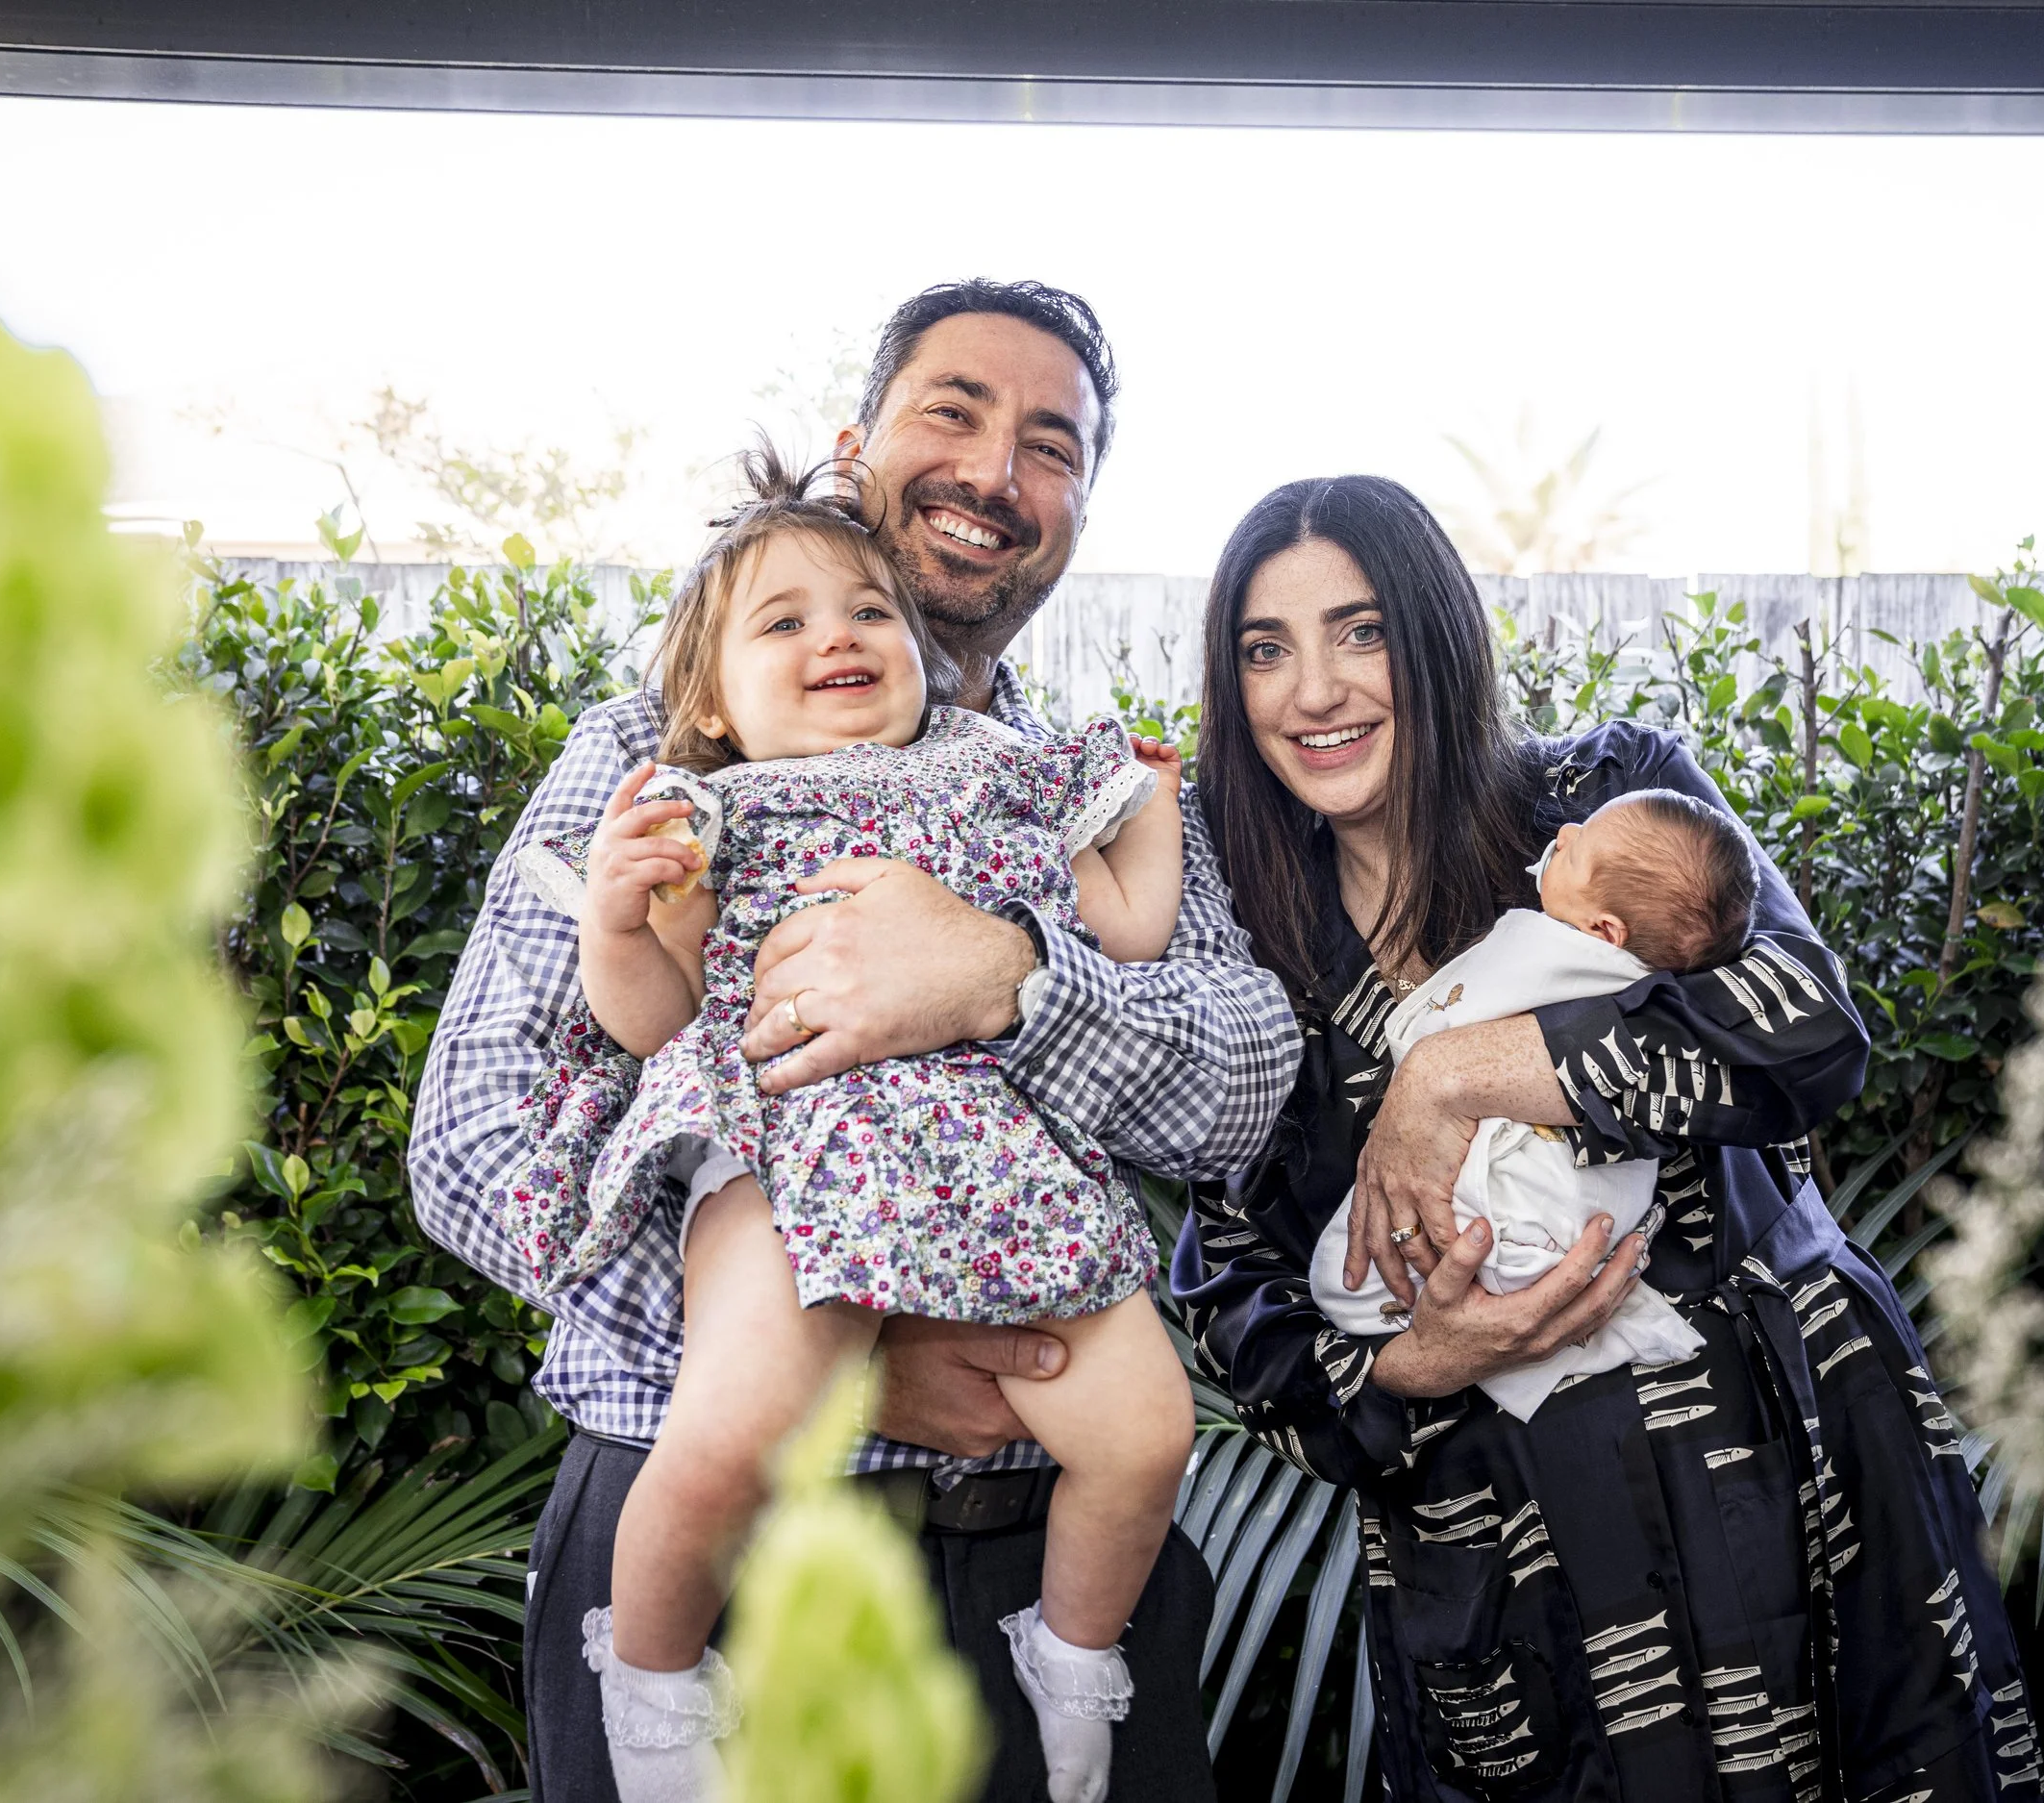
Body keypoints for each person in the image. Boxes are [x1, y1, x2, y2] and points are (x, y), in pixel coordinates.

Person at [411, 282, 1299, 1803]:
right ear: (857, 445)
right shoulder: (659, 763)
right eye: (952, 410)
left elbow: (1243, 1073)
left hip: (1042, 1547)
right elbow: (475, 1146)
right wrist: (839, 1337)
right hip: (720, 1541)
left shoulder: (1066, 779)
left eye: (1050, 443)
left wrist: (1004, 979)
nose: (994, 470)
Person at [1175, 475, 2044, 1801]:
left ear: (1434, 635)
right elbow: (1228, 1282)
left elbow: (1804, 1024)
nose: (1314, 690)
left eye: (1360, 630)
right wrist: (1409, 1362)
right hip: (1513, 1562)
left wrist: (1455, 1073)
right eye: (1264, 646)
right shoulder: (1244, 934)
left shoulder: (1606, 795)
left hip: (1794, 1469)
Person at [499, 446, 1195, 1803]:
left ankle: (1070, 1649)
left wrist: (1154, 809)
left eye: (869, 612)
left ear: (924, 655)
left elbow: (1133, 927)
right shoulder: (703, 805)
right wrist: (613, 913)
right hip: (786, 1152)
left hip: (993, 1159)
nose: (839, 636)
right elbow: (655, 1018)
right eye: (786, 621)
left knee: (1146, 1428)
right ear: (708, 698)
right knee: (732, 1424)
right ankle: (650, 1684)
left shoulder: (1002, 774)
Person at [1307, 790, 1758, 1420]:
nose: (1566, 830)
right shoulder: (1660, 989)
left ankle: (1490, 1282)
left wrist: (1431, 1069)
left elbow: (1432, 1032)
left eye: (1580, 852)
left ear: (1605, 933)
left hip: (1539, 1223)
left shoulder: (1555, 952)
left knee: (1397, 1247)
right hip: (1600, 1218)